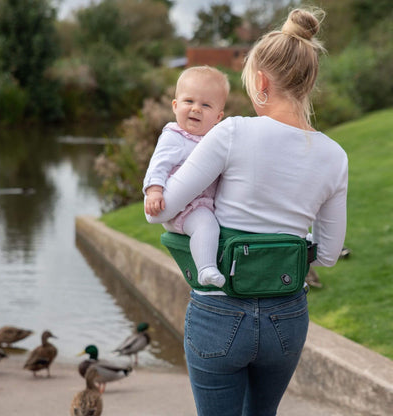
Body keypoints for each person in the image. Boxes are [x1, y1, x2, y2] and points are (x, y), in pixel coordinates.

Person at [146, 7, 348, 416]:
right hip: (287, 317)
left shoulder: (233, 131)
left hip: (219, 310)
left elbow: (159, 210)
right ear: (308, 83)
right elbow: (327, 255)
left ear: (260, 82)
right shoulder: (334, 156)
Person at [143, 66, 230, 288]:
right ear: (175, 106)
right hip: (181, 208)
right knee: (206, 226)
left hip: (202, 204)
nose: (196, 109)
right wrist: (154, 190)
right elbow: (158, 165)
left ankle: (208, 266)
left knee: (210, 225)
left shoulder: (215, 141)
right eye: (189, 101)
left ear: (218, 117)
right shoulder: (175, 136)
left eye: (206, 105)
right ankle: (206, 269)